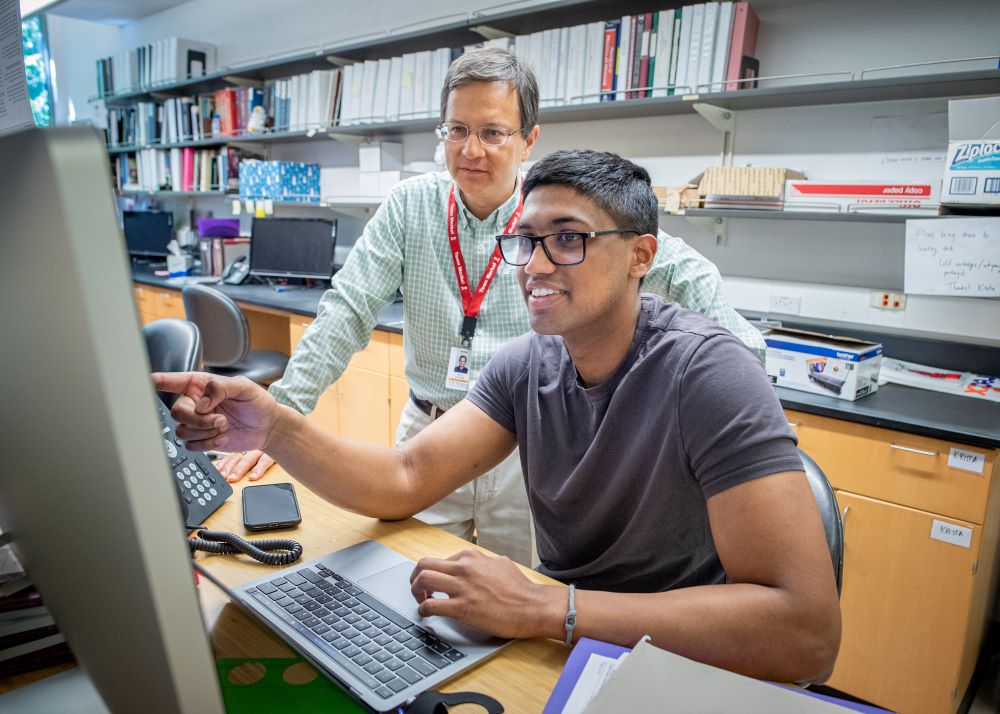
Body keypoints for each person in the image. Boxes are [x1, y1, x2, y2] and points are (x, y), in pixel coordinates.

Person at [157, 150, 840, 684]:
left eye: (568, 239)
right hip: (579, 646)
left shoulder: (709, 373)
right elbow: (406, 476)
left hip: (686, 669)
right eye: (526, 240)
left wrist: (550, 608)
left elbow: (804, 632)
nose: (535, 264)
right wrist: (276, 427)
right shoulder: (528, 363)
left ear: (640, 256)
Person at [217, 47, 765, 568]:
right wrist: (284, 411)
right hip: (431, 431)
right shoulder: (413, 206)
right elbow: (347, 309)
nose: (470, 150)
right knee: (410, 587)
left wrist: (743, 372)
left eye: (492, 133)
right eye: (457, 131)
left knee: (525, 599)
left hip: (531, 444)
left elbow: (679, 266)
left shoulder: (551, 209)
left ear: (528, 140)